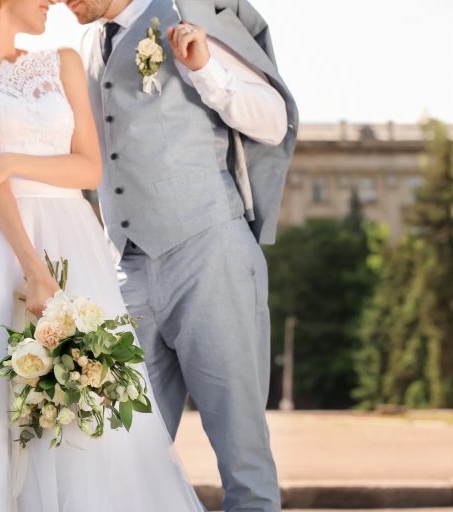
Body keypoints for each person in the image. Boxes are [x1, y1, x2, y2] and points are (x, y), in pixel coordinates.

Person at [0, 0, 208, 510]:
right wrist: (33, 269)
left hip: (74, 243)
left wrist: (7, 160)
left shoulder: (62, 61)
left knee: (89, 395)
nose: (53, 0)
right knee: (4, 404)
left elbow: (88, 170)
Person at [64, 0, 298, 510]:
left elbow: (274, 122)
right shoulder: (83, 47)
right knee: (122, 455)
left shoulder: (184, 11)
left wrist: (204, 67)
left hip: (210, 256)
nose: (62, 1)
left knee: (243, 456)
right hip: (124, 269)